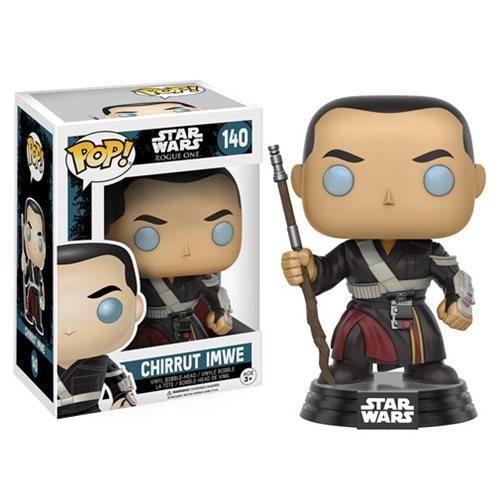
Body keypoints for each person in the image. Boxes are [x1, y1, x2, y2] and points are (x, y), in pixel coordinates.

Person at [281, 96, 485, 384]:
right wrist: (308, 268)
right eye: (340, 179)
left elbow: (453, 278)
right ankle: (353, 366)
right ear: (301, 182)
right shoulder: (352, 251)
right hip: (364, 312)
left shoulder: (428, 250)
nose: (388, 197)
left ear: (475, 182)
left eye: (436, 179)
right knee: (353, 342)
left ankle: (424, 367)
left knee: (424, 347)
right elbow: (325, 273)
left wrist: (456, 302)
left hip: (413, 314)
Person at [105, 168, 242, 347]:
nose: (186, 249)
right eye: (147, 236)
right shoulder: (134, 279)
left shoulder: (200, 274)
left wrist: (220, 312)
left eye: (220, 232)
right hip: (149, 332)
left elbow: (212, 292)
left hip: (191, 328)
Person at [57, 242, 145, 417]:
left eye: (107, 309)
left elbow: (117, 381)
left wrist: (122, 397)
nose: (69, 329)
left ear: (136, 307)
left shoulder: (99, 361)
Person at [21, 198, 46, 335]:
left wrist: (42, 296)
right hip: (31, 287)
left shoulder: (37, 269)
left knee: (37, 308)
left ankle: (39, 323)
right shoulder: (29, 263)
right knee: (30, 303)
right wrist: (24, 267)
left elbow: (41, 282)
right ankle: (30, 315)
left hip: (36, 288)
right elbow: (25, 279)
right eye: (29, 234)